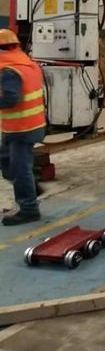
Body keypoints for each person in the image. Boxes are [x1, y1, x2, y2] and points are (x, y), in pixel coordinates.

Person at [0, 29, 46, 226]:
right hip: (26, 125)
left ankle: (29, 209)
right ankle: (32, 186)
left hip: (21, 128)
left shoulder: (9, 70)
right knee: (5, 161)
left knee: (19, 168)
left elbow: (11, 98)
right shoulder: (26, 63)